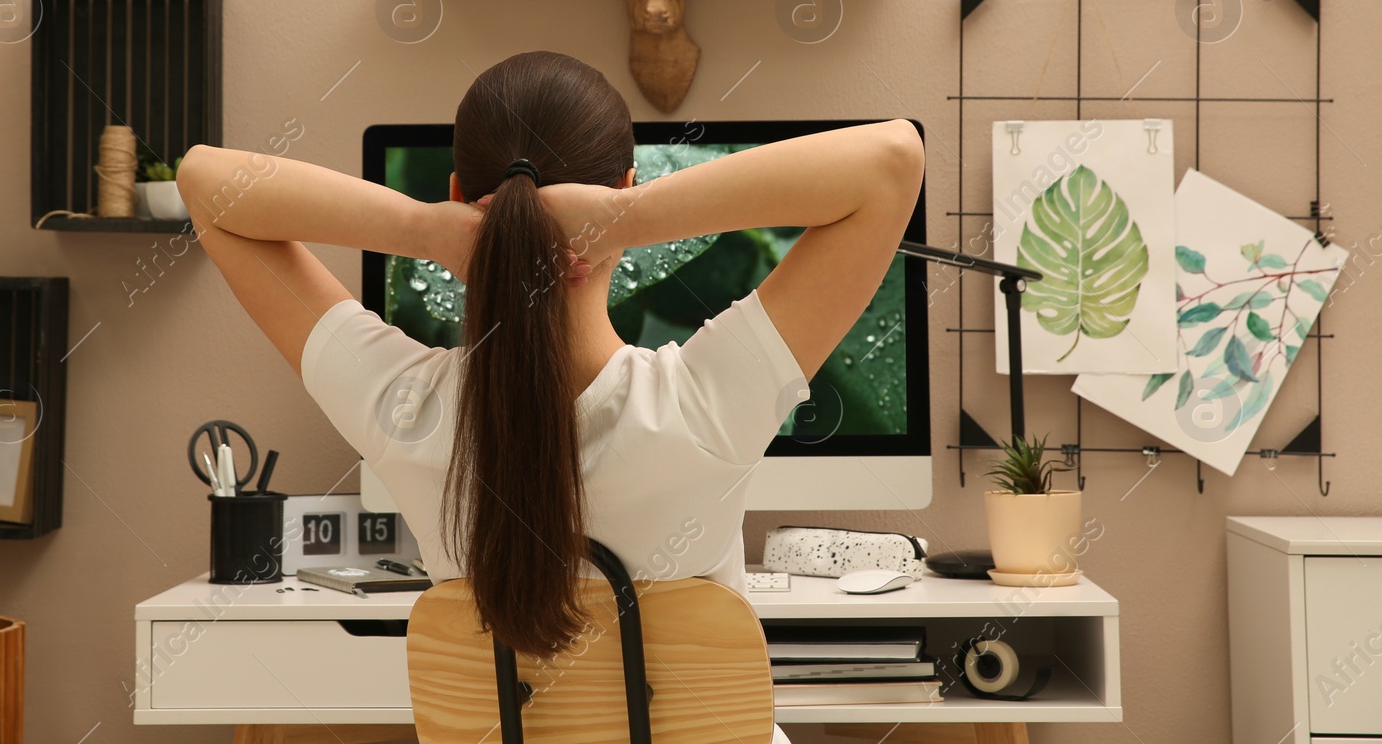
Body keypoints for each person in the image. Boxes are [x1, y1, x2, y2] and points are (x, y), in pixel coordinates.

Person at [177, 50, 924, 739]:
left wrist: (425, 230)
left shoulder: (402, 411)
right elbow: (891, 163)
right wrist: (626, 218)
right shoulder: (705, 404)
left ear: (459, 196)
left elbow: (206, 184)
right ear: (630, 185)